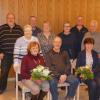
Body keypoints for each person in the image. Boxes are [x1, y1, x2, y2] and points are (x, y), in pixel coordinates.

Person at [0, 13, 23, 94]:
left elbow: (22, 41)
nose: (10, 19)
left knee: (20, 71)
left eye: (12, 18)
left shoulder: (19, 28)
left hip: (17, 54)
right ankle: (2, 88)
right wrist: (0, 52)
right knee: (4, 71)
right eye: (9, 18)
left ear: (14, 19)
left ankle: (19, 86)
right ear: (6, 19)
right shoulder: (1, 28)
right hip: (5, 54)